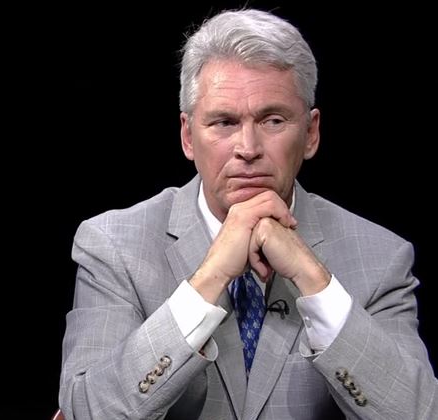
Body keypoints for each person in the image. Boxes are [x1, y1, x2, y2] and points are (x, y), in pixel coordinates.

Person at [59, 9, 437, 419]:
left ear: (310, 133)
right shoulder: (114, 245)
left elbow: (416, 413)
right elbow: (87, 411)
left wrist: (315, 281)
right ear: (188, 136)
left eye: (273, 120)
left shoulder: (381, 258)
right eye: (223, 122)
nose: (248, 147)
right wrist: (209, 279)